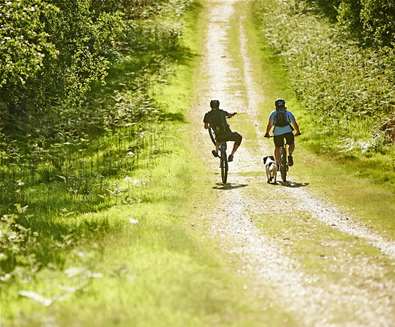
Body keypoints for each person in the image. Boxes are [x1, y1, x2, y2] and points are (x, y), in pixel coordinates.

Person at [264, 98, 301, 166]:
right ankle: (289, 155)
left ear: (276, 106)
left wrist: (267, 133)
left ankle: (277, 163)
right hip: (288, 131)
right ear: (284, 105)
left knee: (277, 147)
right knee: (291, 143)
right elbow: (294, 123)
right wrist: (298, 131)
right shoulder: (288, 113)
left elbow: (270, 124)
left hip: (277, 133)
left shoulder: (273, 114)